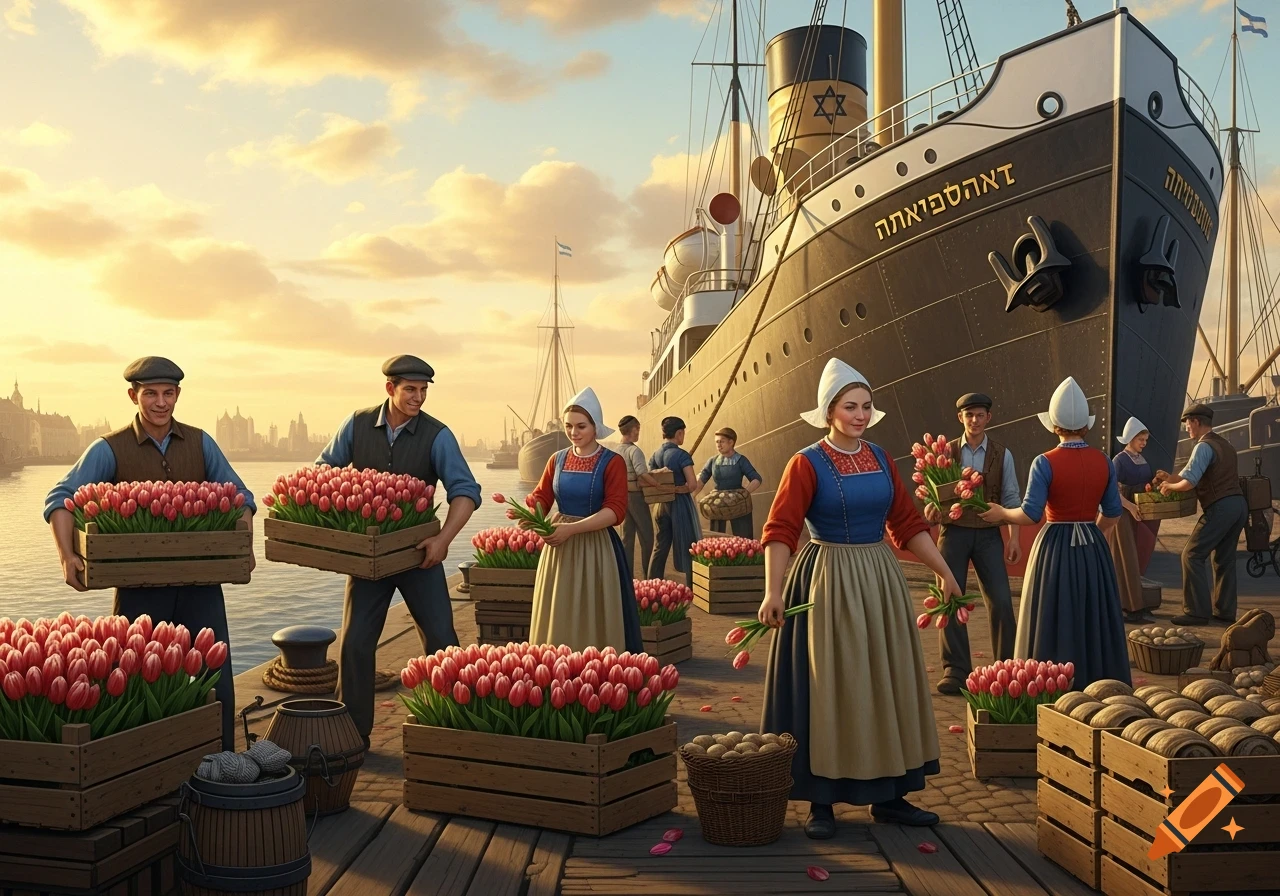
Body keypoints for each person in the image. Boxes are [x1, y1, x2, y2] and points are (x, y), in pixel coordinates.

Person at [759, 358, 962, 838]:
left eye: (866, 406)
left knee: (884, 681)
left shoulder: (881, 457)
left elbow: (907, 524)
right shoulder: (805, 462)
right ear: (829, 410)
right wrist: (773, 590)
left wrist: (946, 571)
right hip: (827, 580)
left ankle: (890, 796)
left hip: (879, 581)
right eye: (850, 406)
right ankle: (821, 802)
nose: (860, 415)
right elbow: (781, 530)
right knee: (830, 684)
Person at [44, 357, 254, 750]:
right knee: (134, 676)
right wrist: (66, 555)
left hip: (200, 583)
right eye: (151, 394)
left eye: (168, 393)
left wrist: (244, 538)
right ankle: (143, 766)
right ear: (133, 396)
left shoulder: (200, 441)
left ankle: (222, 760)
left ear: (178, 395)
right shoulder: (109, 447)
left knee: (215, 674)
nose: (161, 402)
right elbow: (60, 498)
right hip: (139, 587)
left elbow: (241, 496)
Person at [317, 355, 480, 746]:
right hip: (368, 557)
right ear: (390, 388)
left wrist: (442, 541)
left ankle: (450, 725)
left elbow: (466, 492)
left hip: (418, 555)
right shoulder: (356, 424)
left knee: (441, 639)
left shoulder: (437, 435)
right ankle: (352, 734)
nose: (418, 397)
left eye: (424, 390)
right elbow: (324, 470)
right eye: (410, 389)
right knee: (355, 643)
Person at [979, 377, 1128, 688]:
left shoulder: (1044, 462)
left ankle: (1052, 686)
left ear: (1054, 425)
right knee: (1093, 614)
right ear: (1085, 426)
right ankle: (1098, 683)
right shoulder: (1103, 460)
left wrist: (1001, 512)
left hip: (1055, 547)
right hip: (1092, 546)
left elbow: (1030, 514)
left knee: (1052, 614)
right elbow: (1113, 513)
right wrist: (1094, 536)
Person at [525, 389, 643, 653]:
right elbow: (541, 497)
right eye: (569, 426)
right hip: (559, 547)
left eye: (581, 426)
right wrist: (531, 516)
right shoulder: (557, 459)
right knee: (560, 606)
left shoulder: (613, 462)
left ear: (595, 427)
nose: (573, 432)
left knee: (593, 606)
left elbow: (615, 511)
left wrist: (572, 529)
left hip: (595, 545)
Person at [923, 393, 1020, 696]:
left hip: (989, 535)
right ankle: (955, 669)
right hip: (953, 533)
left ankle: (1005, 668)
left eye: (980, 415)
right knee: (949, 598)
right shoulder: (946, 453)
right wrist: (932, 509)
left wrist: (1014, 538)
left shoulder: (1002, 454)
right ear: (960, 418)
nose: (975, 421)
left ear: (988, 418)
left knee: (1002, 600)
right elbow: (931, 498)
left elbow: (1012, 498)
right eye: (969, 415)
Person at [1158, 403, 1248, 625]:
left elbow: (1189, 482)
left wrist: (1170, 487)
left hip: (1221, 507)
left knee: (1191, 555)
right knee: (1224, 559)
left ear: (1196, 422)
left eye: (1187, 423)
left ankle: (1197, 612)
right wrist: (1170, 478)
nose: (1187, 427)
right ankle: (1225, 612)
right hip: (1238, 505)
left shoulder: (1203, 447)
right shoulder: (1224, 444)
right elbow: (1194, 475)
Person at [1109, 417, 1161, 623]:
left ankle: (1135, 603)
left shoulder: (1141, 459)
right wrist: (1130, 507)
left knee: (1135, 559)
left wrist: (1154, 482)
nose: (1144, 444)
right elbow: (1112, 490)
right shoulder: (1119, 460)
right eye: (1141, 439)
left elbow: (1144, 484)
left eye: (1146, 440)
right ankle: (1129, 607)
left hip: (1136, 514)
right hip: (1122, 513)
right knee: (1125, 560)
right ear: (1130, 438)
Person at [647, 417, 703, 587]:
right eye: (683, 433)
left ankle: (652, 585)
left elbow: (650, 478)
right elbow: (692, 484)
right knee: (689, 544)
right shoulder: (681, 455)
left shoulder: (655, 455)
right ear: (679, 433)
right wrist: (678, 489)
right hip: (680, 505)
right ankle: (692, 588)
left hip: (660, 506)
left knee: (660, 546)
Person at [697, 427, 763, 538]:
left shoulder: (741, 460)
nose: (718, 445)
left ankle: (744, 554)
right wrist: (691, 495)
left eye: (721, 441)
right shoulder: (712, 461)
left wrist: (743, 494)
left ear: (731, 442)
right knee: (716, 538)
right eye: (717, 442)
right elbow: (702, 479)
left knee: (743, 538)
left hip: (738, 502)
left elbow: (756, 478)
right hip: (718, 503)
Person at [615, 415, 659, 576]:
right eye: (637, 429)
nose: (638, 433)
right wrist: (657, 484)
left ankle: (627, 576)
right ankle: (649, 574)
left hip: (622, 498)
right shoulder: (635, 451)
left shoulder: (616, 450)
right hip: (636, 498)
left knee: (627, 538)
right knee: (647, 537)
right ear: (632, 430)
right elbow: (641, 474)